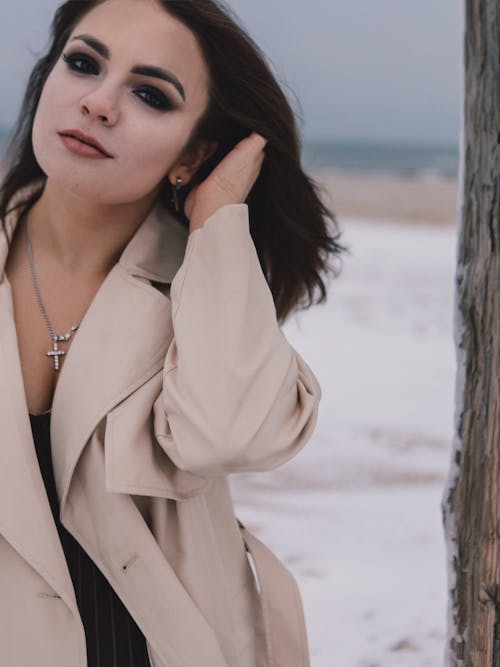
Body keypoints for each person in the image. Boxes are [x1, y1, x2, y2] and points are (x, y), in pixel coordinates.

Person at [0, 1, 345, 666]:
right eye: (82, 63)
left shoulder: (205, 295)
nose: (99, 103)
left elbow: (228, 433)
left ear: (193, 154)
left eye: (151, 95)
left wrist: (218, 221)